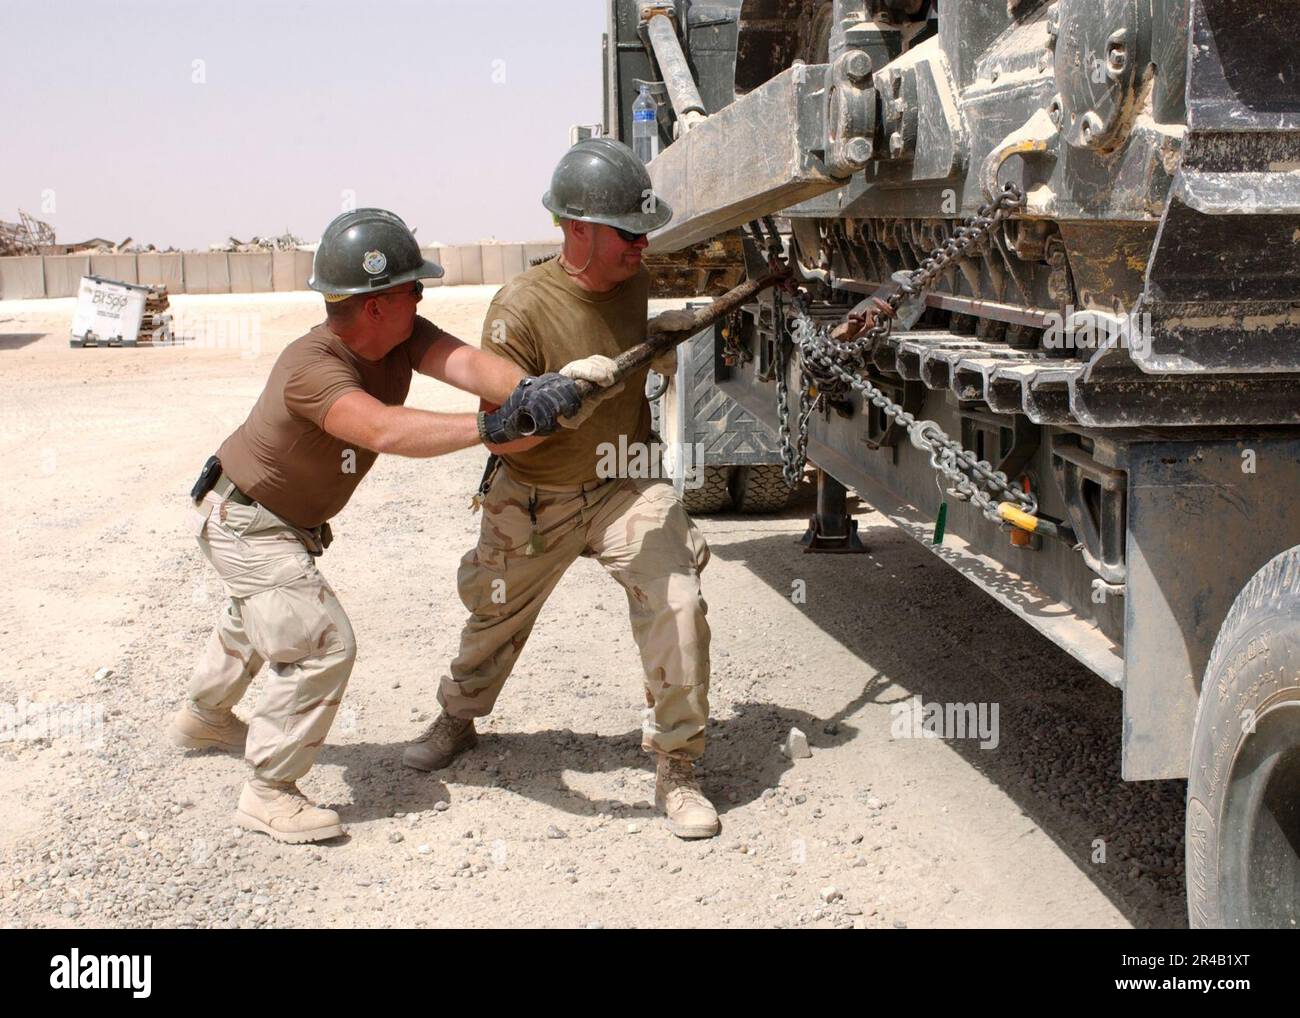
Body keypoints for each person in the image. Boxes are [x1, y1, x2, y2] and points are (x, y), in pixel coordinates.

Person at [169, 208, 601, 844]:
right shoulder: (312, 366)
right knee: (318, 642)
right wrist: (493, 428)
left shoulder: (400, 334)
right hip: (248, 524)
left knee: (257, 619)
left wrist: (542, 388)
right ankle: (268, 791)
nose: (421, 297)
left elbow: (468, 366)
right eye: (413, 288)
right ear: (376, 304)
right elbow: (381, 429)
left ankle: (203, 719)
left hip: (275, 523)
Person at [402, 139, 720, 840]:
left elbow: (638, 354)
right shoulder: (519, 308)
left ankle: (677, 763)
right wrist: (560, 395)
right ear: (575, 228)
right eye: (627, 232)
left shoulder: (634, 280)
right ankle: (458, 717)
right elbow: (502, 435)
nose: (641, 245)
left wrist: (659, 340)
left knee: (678, 598)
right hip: (535, 494)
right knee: (492, 618)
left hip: (624, 483)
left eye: (645, 231)